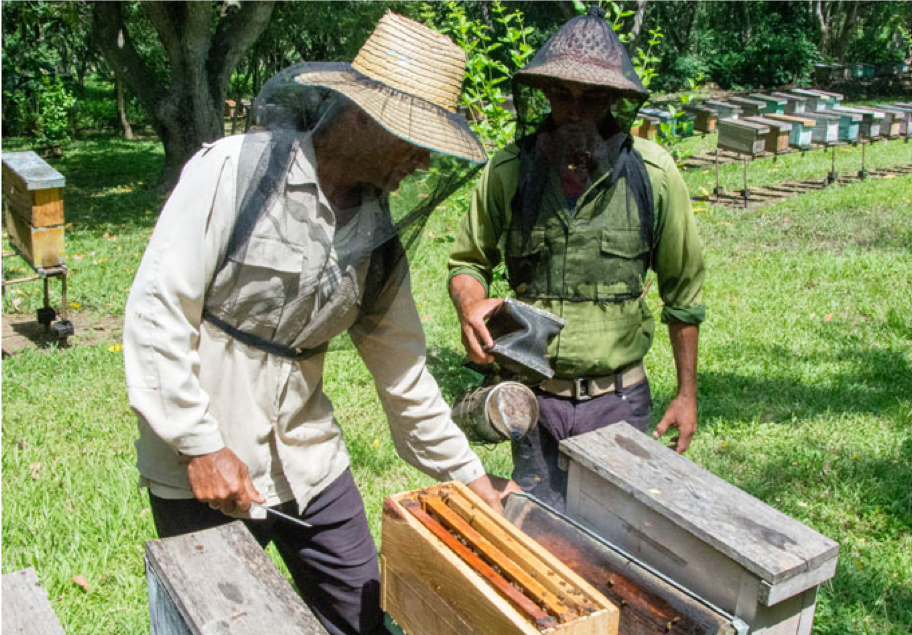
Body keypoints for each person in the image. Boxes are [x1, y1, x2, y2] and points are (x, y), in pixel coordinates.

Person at [124, 13, 516, 635]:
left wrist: (467, 478)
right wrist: (199, 445)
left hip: (310, 463)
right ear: (362, 115)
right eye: (413, 137)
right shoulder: (232, 172)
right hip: (201, 470)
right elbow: (157, 315)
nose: (421, 159)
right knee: (217, 622)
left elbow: (405, 377)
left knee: (365, 617)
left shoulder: (378, 237)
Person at [447, 6, 705, 512]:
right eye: (563, 94)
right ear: (544, 93)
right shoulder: (508, 170)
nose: (575, 110)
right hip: (532, 401)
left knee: (618, 542)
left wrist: (687, 394)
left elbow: (684, 295)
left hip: (618, 402)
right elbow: (468, 261)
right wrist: (469, 304)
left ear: (614, 101)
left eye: (592, 98)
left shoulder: (653, 175)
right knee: (541, 534)